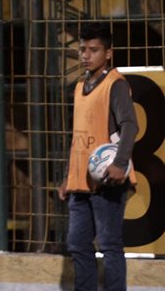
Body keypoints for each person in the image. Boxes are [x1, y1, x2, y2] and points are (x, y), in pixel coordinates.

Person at [58, 23, 138, 291]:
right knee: (78, 244)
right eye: (82, 49)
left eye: (93, 50)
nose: (85, 55)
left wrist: (120, 163)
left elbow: (130, 125)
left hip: (107, 180)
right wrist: (67, 177)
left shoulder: (115, 84)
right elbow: (79, 137)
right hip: (80, 181)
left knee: (109, 244)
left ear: (108, 53)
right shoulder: (81, 85)